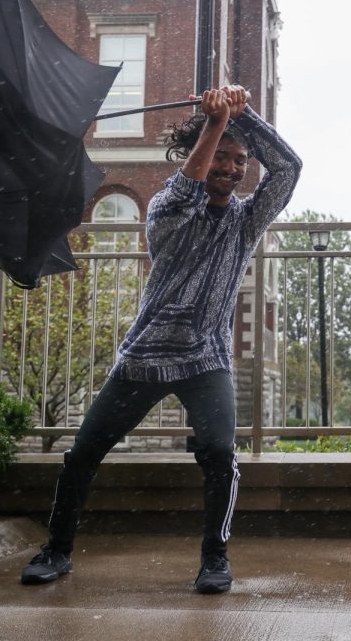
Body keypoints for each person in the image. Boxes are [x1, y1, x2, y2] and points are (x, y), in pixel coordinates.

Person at [20, 84, 301, 593]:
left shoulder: (246, 221)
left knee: (219, 452)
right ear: (200, 152)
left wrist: (244, 116)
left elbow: (289, 170)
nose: (233, 168)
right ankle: (56, 551)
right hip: (145, 358)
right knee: (83, 453)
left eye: (241, 162)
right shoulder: (167, 206)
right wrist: (215, 124)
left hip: (206, 358)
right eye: (223, 157)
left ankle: (214, 559)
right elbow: (191, 188)